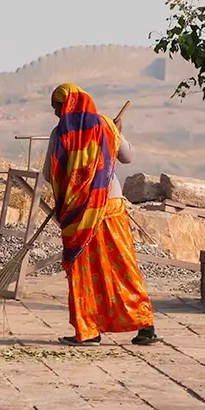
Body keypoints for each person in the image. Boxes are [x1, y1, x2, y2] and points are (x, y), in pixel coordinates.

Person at [45, 82, 158, 347]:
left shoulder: (60, 133)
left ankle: (88, 331)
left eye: (56, 107)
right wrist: (118, 133)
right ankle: (145, 326)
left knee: (83, 271)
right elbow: (128, 157)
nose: (55, 113)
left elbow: (49, 174)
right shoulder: (106, 125)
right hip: (112, 208)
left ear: (68, 104)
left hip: (79, 214)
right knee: (123, 266)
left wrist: (71, 190)